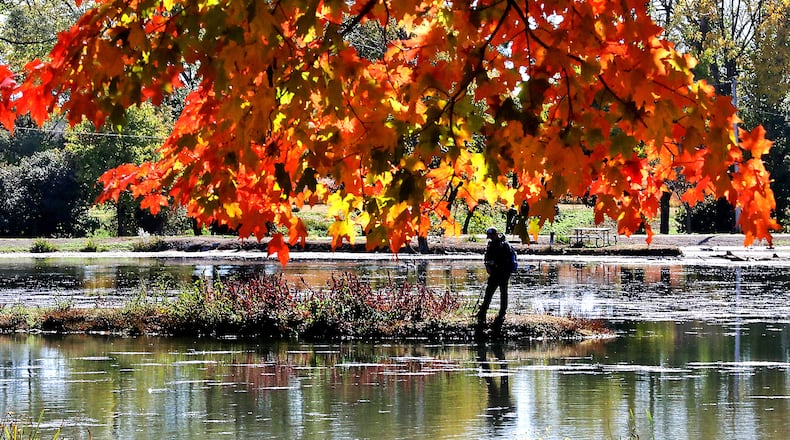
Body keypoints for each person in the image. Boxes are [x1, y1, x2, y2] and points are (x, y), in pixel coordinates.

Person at [477, 227, 516, 330]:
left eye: (491, 236)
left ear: (496, 234)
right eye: (489, 237)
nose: (490, 238)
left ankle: (502, 313)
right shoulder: (490, 244)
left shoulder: (504, 245)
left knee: (503, 293)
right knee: (488, 293)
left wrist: (497, 264)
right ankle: (482, 313)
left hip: (503, 274)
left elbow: (506, 261)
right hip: (494, 273)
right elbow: (486, 258)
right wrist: (488, 266)